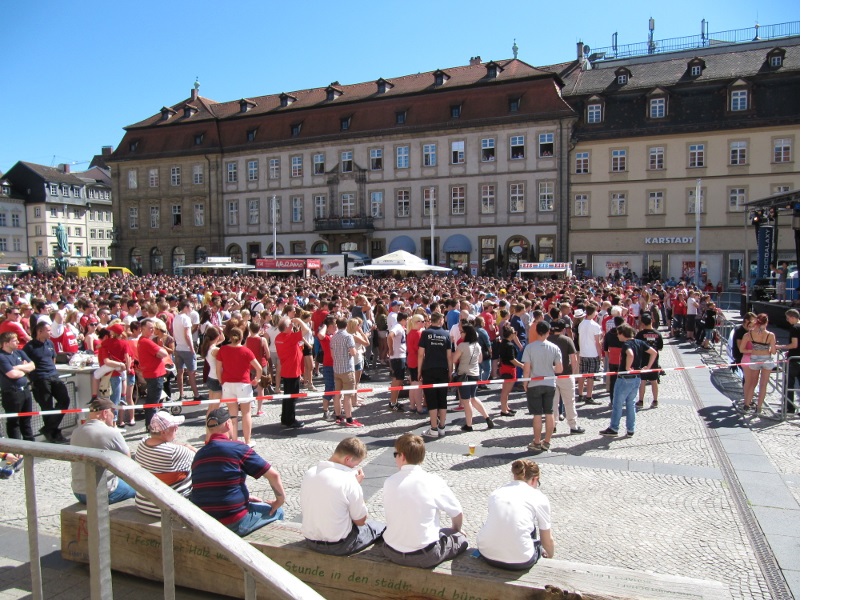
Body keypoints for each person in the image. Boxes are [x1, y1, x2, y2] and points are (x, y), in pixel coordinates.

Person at [191, 407, 286, 537]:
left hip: (204, 519)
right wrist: (279, 500)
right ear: (228, 424)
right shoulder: (238, 448)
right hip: (232, 520)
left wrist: (244, 498)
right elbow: (273, 475)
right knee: (278, 511)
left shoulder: (199, 454)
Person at [382, 433, 468, 568]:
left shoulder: (389, 481)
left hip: (391, 551)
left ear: (402, 456)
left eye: (395, 455)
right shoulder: (432, 481)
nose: (395, 459)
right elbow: (456, 512)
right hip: (425, 555)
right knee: (461, 539)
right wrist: (456, 530)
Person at [300, 437, 386, 555]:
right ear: (348, 459)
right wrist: (356, 485)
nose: (355, 468)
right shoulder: (349, 480)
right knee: (379, 527)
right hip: (339, 545)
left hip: (310, 540)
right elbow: (360, 520)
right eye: (355, 465)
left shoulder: (310, 472)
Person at [477, 459, 554, 570]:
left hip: (486, 553)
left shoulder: (496, 492)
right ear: (534, 479)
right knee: (532, 529)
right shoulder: (538, 497)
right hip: (521, 560)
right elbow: (547, 540)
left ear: (514, 476)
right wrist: (550, 556)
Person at [70, 397, 136, 504]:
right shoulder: (111, 433)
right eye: (113, 412)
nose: (114, 416)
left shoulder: (76, 432)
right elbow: (128, 462)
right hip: (102, 492)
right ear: (105, 413)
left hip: (78, 491)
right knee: (140, 490)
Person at [134, 410, 196, 517]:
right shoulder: (174, 452)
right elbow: (199, 458)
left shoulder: (142, 444)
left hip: (143, 503)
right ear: (163, 432)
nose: (177, 428)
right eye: (174, 426)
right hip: (167, 508)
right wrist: (189, 447)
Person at [600, 324, 657, 438]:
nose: (617, 336)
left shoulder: (626, 344)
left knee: (617, 404)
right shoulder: (639, 342)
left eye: (618, 334)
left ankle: (614, 428)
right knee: (631, 404)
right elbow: (654, 352)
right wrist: (648, 366)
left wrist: (627, 367)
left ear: (622, 334)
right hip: (637, 377)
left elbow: (630, 354)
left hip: (625, 378)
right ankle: (630, 429)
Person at [23, 321, 72, 443]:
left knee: (64, 400)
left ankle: (48, 428)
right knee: (47, 407)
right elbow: (25, 365)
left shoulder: (50, 343)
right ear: (40, 331)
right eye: (48, 330)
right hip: (40, 379)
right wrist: (33, 378)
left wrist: (52, 371)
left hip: (53, 376)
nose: (50, 332)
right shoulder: (29, 347)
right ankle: (54, 434)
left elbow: (53, 358)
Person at [522, 321, 563, 452]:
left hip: (534, 383)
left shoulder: (529, 347)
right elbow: (559, 369)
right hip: (550, 383)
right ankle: (547, 441)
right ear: (547, 332)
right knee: (549, 412)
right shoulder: (555, 348)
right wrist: (549, 368)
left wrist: (525, 382)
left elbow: (526, 369)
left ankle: (536, 441)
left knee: (537, 415)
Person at [217, 328, 262, 445]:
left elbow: (218, 370)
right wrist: (256, 380)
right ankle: (247, 441)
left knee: (232, 415)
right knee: (246, 413)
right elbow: (259, 368)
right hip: (243, 384)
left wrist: (221, 381)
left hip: (227, 384)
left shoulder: (223, 349)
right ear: (242, 338)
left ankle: (234, 440)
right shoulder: (246, 351)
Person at [417, 312, 453, 438]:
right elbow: (449, 356)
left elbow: (421, 354)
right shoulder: (446, 334)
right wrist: (450, 371)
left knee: (431, 399)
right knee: (442, 399)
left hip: (429, 369)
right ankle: (442, 427)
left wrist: (419, 371)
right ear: (440, 320)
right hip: (443, 369)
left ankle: (433, 428)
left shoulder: (426, 333)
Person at [453, 323, 493, 431]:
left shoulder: (462, 346)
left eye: (462, 332)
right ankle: (487, 417)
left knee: (466, 401)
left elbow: (454, 359)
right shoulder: (477, 345)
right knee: (473, 398)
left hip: (464, 375)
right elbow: (480, 360)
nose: (460, 334)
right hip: (475, 374)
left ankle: (469, 425)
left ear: (467, 333)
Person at [549, 320, 584, 435]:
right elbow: (573, 360)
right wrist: (572, 373)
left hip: (551, 375)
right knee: (570, 401)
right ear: (563, 329)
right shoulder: (567, 340)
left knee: (553, 402)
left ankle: (552, 425)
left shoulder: (547, 340)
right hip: (565, 374)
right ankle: (573, 426)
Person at [329, 317, 363, 427]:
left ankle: (338, 417)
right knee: (348, 396)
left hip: (337, 368)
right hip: (347, 369)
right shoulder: (348, 337)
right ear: (346, 325)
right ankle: (349, 419)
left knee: (337, 395)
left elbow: (332, 354)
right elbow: (353, 352)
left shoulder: (333, 337)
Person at [740, 313, 776, 415]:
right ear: (766, 322)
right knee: (763, 384)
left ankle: (746, 405)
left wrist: (755, 350)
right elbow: (773, 351)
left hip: (754, 358)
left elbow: (741, 349)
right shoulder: (770, 335)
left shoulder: (749, 334)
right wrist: (768, 348)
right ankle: (759, 408)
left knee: (752, 383)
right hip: (766, 359)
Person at [137, 318, 169, 431]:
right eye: (149, 328)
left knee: (153, 400)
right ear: (142, 329)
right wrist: (160, 348)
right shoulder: (146, 341)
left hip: (152, 373)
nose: (152, 330)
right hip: (154, 375)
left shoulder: (143, 341)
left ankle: (150, 425)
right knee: (153, 402)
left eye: (153, 328)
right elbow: (163, 353)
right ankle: (151, 426)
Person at [172, 299, 201, 401]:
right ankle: (196, 395)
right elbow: (187, 335)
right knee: (191, 372)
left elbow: (174, 333)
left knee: (180, 372)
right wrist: (192, 348)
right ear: (185, 307)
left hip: (179, 347)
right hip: (187, 348)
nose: (191, 309)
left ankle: (181, 394)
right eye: (190, 307)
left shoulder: (176, 317)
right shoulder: (186, 318)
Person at [635, 313, 664, 408]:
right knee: (654, 380)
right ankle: (655, 400)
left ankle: (640, 401)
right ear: (651, 321)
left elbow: (637, 347)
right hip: (654, 360)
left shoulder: (640, 334)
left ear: (642, 323)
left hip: (643, 360)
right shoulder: (658, 334)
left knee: (642, 381)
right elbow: (660, 348)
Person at [576, 305, 603, 404]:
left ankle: (580, 394)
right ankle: (588, 396)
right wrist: (600, 354)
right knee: (591, 376)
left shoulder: (581, 324)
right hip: (592, 353)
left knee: (582, 375)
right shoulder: (595, 325)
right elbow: (597, 342)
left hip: (583, 352)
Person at [778, 309, 800, 414]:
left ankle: (789, 408)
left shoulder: (794, 328)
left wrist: (781, 346)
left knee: (788, 384)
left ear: (792, 317)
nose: (787, 320)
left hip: (794, 360)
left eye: (787, 318)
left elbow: (794, 344)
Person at [387, 311, 408, 411]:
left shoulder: (400, 327)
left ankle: (394, 401)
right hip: (397, 357)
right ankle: (392, 402)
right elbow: (390, 336)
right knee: (397, 379)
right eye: (406, 320)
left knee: (399, 379)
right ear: (403, 320)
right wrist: (390, 349)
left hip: (400, 356)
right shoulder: (397, 327)